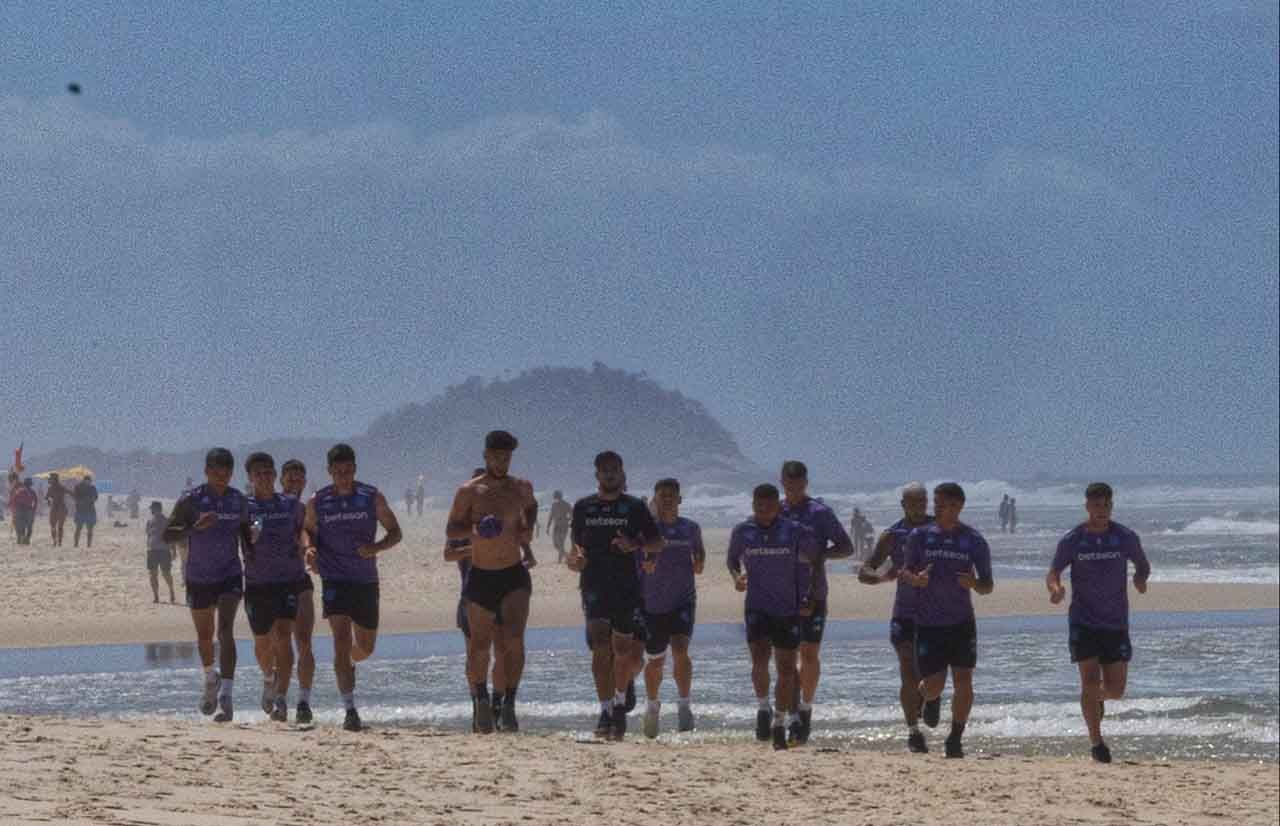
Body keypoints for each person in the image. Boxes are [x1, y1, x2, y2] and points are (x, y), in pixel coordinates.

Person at [1046, 482, 1150, 764]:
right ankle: (1096, 742)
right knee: (1089, 682)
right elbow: (1054, 570)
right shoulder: (1074, 539)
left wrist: (1140, 578)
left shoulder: (1124, 537)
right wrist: (1055, 589)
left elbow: (1142, 563)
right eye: (1096, 505)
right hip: (1083, 620)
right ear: (1087, 506)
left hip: (1115, 622)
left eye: (1106, 505)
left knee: (1115, 690)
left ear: (1111, 507)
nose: (1101, 510)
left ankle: (1096, 699)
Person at [302, 443, 402, 732]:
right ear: (330, 472)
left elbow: (396, 532)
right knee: (340, 640)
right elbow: (307, 529)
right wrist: (309, 549)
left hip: (365, 581)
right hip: (334, 579)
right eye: (338, 472)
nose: (343, 476)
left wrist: (376, 547)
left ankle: (348, 663)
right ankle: (350, 710)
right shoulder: (318, 501)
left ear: (355, 469)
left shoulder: (371, 496)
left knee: (365, 648)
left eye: (348, 471)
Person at [566, 451, 662, 740]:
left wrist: (634, 545)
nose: (609, 474)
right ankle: (605, 710)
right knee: (599, 647)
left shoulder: (634, 507)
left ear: (622, 473)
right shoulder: (583, 507)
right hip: (593, 584)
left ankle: (620, 705)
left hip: (625, 586)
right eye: (604, 470)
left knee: (622, 650)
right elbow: (576, 547)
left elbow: (656, 542)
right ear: (596, 475)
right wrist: (575, 560)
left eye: (614, 470)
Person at [445, 433, 538, 733]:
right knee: (480, 647)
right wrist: (475, 529)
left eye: (507, 457)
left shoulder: (520, 488)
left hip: (513, 574)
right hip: (482, 576)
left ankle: (509, 702)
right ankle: (481, 700)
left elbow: (532, 507)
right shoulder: (469, 492)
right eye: (497, 456)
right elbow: (452, 528)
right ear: (486, 456)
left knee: (514, 640)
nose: (502, 462)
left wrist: (527, 527)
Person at [899, 482, 993, 758]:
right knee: (934, 685)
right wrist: (916, 579)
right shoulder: (920, 536)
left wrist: (974, 582)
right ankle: (931, 698)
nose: (939, 509)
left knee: (964, 681)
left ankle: (955, 737)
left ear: (959, 507)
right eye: (937, 504)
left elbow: (988, 585)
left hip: (962, 622)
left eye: (946, 504)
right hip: (929, 623)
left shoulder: (973, 540)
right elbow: (904, 572)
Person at [163, 448, 253, 723]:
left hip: (229, 573)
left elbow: (247, 534)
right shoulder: (191, 500)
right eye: (216, 472)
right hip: (199, 576)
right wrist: (194, 528)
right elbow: (167, 534)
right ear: (206, 471)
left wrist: (254, 540)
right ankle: (209, 678)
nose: (221, 477)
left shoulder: (238, 500)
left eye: (226, 472)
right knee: (205, 636)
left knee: (225, 630)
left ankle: (226, 693)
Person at [727, 483, 817, 751]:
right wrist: (737, 577)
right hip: (756, 607)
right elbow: (732, 561)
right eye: (758, 505)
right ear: (753, 504)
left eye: (769, 505)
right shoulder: (743, 531)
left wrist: (806, 598)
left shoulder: (793, 531)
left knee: (787, 669)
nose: (763, 509)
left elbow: (807, 566)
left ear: (778, 505)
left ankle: (780, 722)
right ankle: (763, 708)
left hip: (787, 609)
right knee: (759, 662)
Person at [778, 460, 854, 745]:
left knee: (808, 655)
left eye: (799, 484)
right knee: (786, 658)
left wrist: (822, 555)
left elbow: (846, 546)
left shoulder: (820, 513)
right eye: (789, 483)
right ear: (782, 482)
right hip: (781, 595)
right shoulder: (777, 511)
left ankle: (805, 710)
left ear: (806, 483)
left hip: (814, 593)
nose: (794, 489)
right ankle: (794, 715)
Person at [858, 482, 935, 753]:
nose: (918, 507)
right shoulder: (892, 535)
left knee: (931, 673)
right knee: (908, 673)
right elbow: (864, 571)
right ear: (903, 505)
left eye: (922, 502)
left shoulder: (940, 530)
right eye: (912, 503)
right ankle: (913, 731)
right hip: (903, 613)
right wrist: (882, 577)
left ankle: (928, 701)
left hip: (936, 616)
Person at [244, 452, 308, 722]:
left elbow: (303, 529)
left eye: (268, 472)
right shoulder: (244, 506)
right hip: (257, 583)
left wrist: (307, 546)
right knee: (262, 644)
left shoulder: (290, 504)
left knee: (283, 635)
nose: (265, 477)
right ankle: (269, 677)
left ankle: (282, 697)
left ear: (275, 475)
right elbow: (237, 534)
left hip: (287, 580)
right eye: (258, 473)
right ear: (250, 478)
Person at [639, 478, 705, 738]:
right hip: (653, 603)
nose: (667, 499)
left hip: (683, 600)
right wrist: (645, 565)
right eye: (662, 495)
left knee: (680, 649)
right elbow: (637, 558)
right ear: (655, 499)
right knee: (655, 661)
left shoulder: (691, 528)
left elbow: (699, 555)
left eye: (672, 495)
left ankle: (685, 706)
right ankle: (653, 706)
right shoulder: (647, 530)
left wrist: (699, 562)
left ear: (679, 499)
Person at [280, 458, 317, 723]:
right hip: (271, 582)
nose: (294, 483)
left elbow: (312, 536)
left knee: (303, 641)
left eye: (298, 479)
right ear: (282, 480)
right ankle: (277, 691)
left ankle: (303, 701)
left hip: (300, 579)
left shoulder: (307, 511)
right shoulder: (269, 507)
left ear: (304, 482)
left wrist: (311, 551)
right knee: (277, 645)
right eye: (290, 478)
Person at [145, 501, 176, 603]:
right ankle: (156, 596)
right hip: (152, 550)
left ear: (157, 509)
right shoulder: (149, 521)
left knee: (166, 573)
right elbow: (148, 535)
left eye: (152, 508)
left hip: (164, 550)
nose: (151, 510)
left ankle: (171, 591)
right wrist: (148, 547)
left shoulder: (167, 521)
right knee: (152, 574)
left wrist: (173, 550)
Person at [72, 474, 99, 548]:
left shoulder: (92, 488)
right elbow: (75, 497)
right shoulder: (78, 487)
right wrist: (82, 501)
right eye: (87, 481)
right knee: (78, 528)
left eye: (89, 481)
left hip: (89, 510)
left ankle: (88, 545)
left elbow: (96, 497)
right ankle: (76, 544)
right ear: (84, 481)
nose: (88, 482)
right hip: (81, 510)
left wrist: (90, 499)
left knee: (89, 529)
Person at [545, 490, 572, 563]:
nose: (555, 497)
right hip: (556, 526)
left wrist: (567, 520)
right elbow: (551, 516)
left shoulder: (566, 504)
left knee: (561, 544)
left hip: (563, 526)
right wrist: (548, 526)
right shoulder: (554, 505)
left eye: (556, 496)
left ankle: (560, 561)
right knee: (556, 545)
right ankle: (567, 556)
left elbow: (572, 515)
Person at [45, 472, 70, 547]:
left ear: (54, 479)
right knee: (59, 527)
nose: (49, 480)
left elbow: (46, 497)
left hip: (56, 508)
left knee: (53, 526)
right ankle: (58, 542)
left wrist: (48, 501)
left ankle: (56, 541)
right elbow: (70, 493)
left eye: (51, 479)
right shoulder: (61, 487)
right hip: (61, 507)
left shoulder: (51, 488)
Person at [12, 478, 37, 544]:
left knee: (20, 525)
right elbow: (36, 501)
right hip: (26, 509)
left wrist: (14, 508)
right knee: (28, 526)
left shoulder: (19, 491)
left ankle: (24, 539)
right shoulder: (31, 491)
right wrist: (34, 509)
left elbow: (14, 500)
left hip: (22, 509)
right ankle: (25, 539)